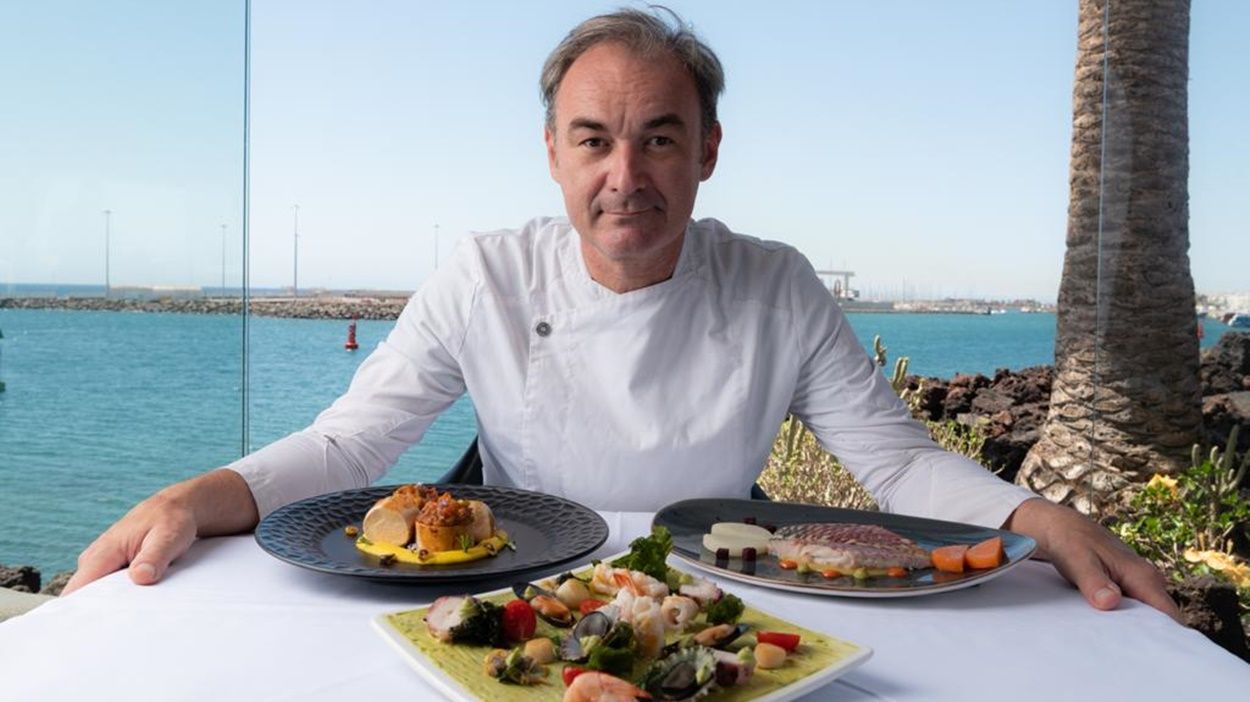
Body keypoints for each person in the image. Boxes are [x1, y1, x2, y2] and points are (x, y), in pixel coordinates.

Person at [63, 8, 1179, 621]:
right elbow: (354, 444)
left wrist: (1034, 519)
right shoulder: (485, 276)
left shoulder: (774, 283)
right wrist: (193, 495)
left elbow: (896, 467)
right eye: (593, 139)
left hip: (722, 591)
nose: (625, 175)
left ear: (707, 152)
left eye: (658, 136)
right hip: (501, 589)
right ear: (552, 154)